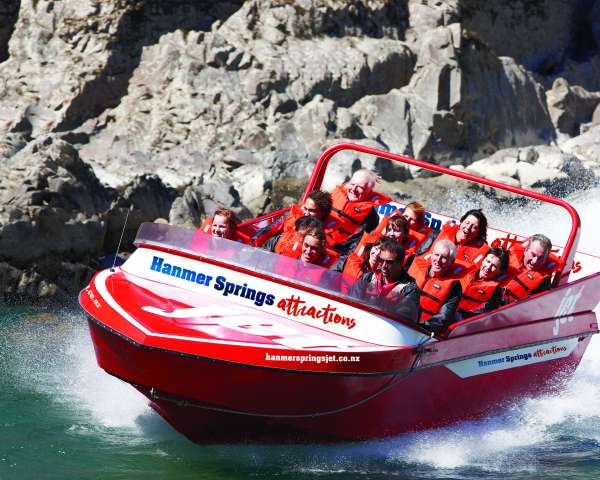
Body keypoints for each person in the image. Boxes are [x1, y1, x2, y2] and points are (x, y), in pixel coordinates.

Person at [408, 239, 471, 332]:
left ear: (452, 261)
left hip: (423, 330)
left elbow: (444, 318)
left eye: (444, 257)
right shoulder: (415, 268)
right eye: (436, 255)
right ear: (432, 255)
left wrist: (419, 326)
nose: (438, 260)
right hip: (399, 318)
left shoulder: (454, 287)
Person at [350, 238, 419, 319]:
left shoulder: (409, 290)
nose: (384, 266)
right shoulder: (367, 278)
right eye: (381, 260)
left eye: (389, 262)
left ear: (401, 263)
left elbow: (402, 319)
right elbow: (351, 301)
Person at [324, 169, 391, 251]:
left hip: (335, 249)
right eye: (352, 184)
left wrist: (343, 250)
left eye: (360, 187)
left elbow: (362, 240)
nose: (353, 189)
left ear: (369, 192)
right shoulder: (332, 194)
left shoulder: (370, 215)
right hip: (314, 237)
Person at [252, 190, 333, 247]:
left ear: (323, 213)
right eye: (305, 208)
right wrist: (251, 244)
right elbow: (269, 230)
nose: (306, 213)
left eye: (311, 210)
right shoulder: (291, 216)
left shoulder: (327, 238)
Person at [502, 233, 557, 304]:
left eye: (541, 258)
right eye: (533, 255)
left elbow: (531, 306)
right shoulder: (506, 257)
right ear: (526, 250)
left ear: (545, 259)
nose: (535, 261)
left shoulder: (544, 281)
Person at [457, 247, 509, 319]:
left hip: (462, 320)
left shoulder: (496, 291)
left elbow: (483, 313)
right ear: (483, 260)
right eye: (488, 261)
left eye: (494, 266)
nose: (488, 267)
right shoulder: (464, 270)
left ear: (500, 271)